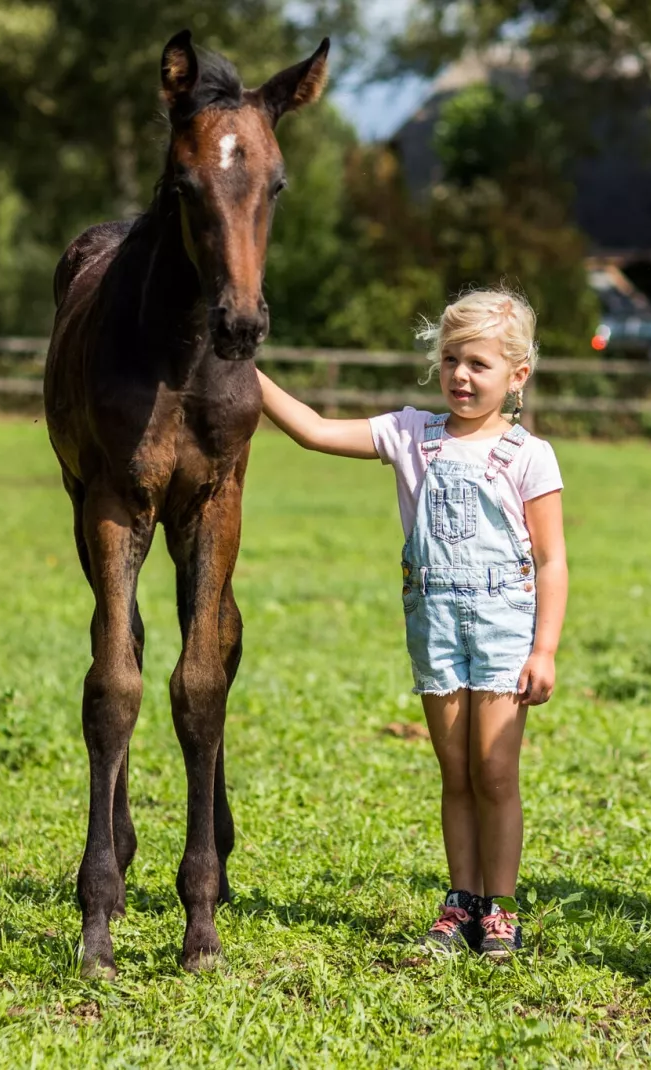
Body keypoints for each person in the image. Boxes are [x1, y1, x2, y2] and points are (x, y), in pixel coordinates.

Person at [255, 289, 567, 959]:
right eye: (451, 359)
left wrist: (545, 649)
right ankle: (462, 900)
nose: (460, 375)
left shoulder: (529, 455)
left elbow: (551, 558)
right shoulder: (409, 433)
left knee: (496, 773)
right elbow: (312, 429)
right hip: (435, 625)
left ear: (518, 375)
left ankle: (501, 907)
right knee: (455, 773)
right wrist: (242, 370)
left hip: (503, 630)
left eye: (479, 364)